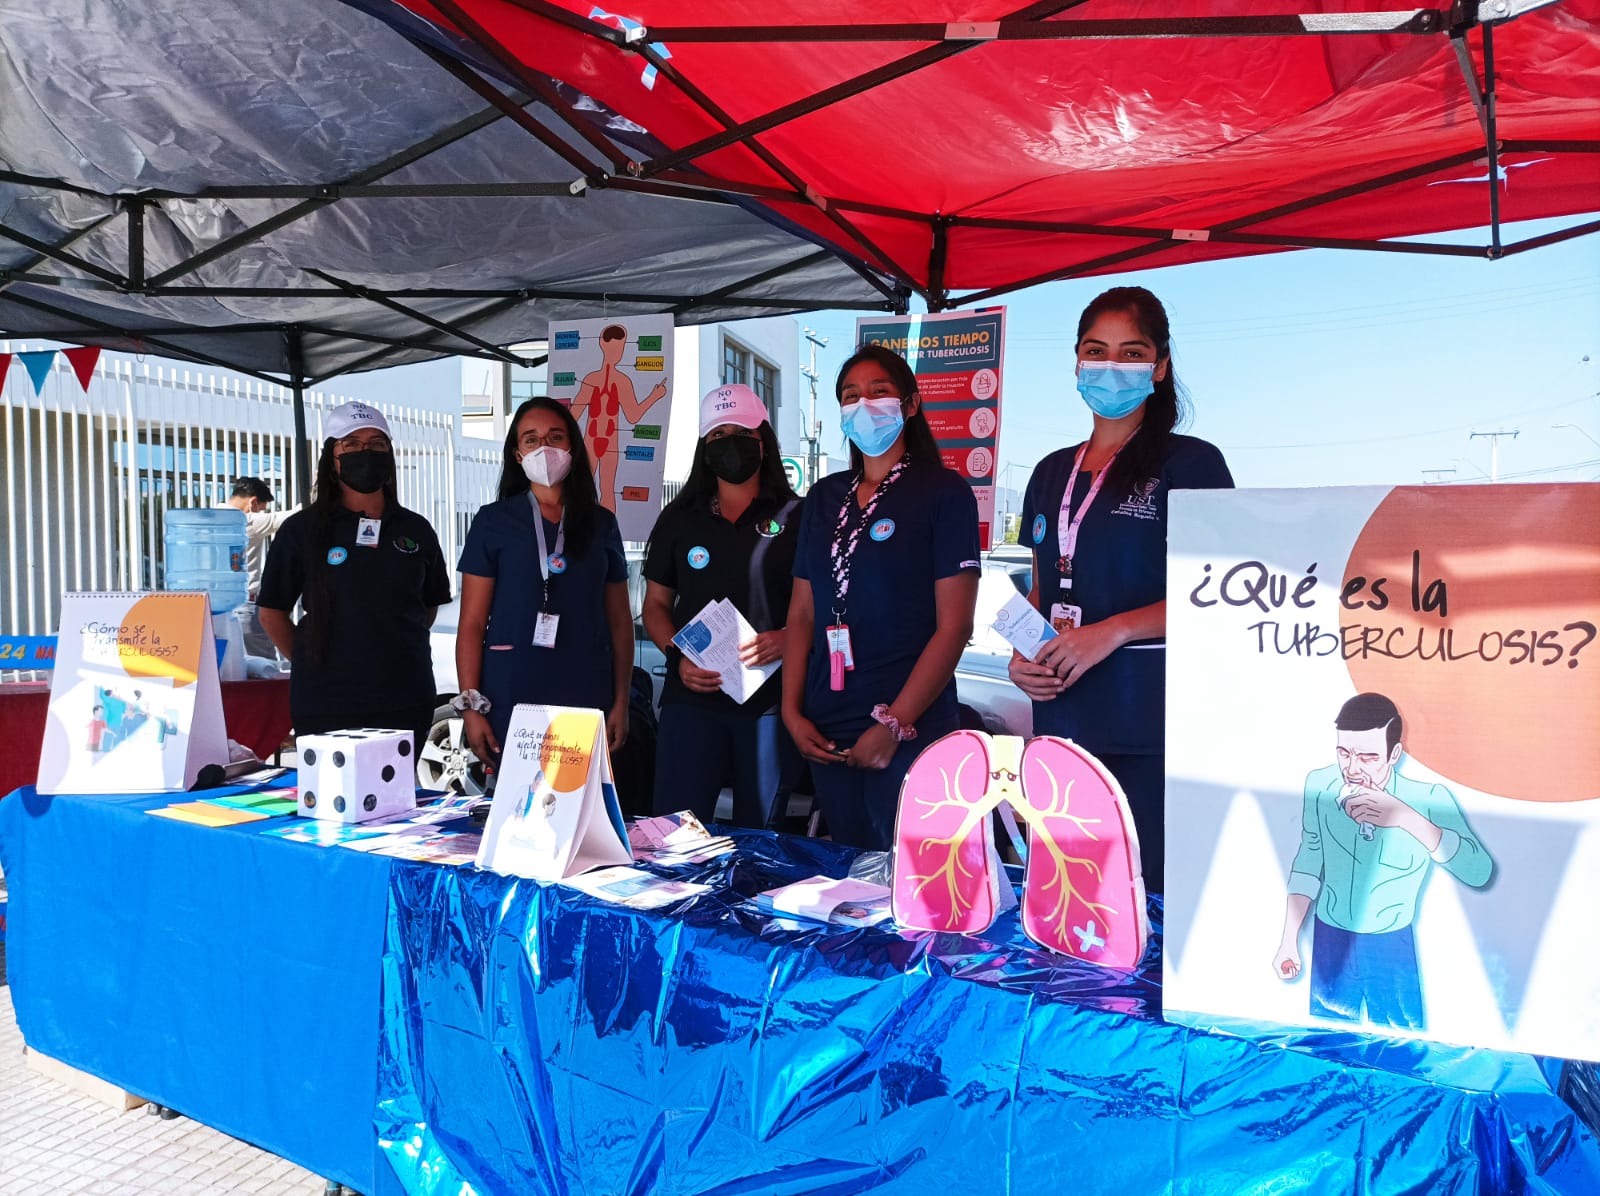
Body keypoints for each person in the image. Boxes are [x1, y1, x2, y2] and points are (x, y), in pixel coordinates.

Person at [1010, 286, 1234, 894]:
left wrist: (1111, 632)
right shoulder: (1050, 470)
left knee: (1141, 896)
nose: (1111, 367)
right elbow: (1044, 583)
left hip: (1149, 724)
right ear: (1077, 361)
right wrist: (1021, 656)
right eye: (1096, 350)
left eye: (1131, 353)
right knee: (1064, 894)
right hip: (1060, 715)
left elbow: (1218, 593)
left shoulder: (1191, 465)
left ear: (1159, 366)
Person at [783, 344, 981, 851]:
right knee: (851, 879)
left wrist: (894, 724)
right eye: (850, 396)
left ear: (910, 404)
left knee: (915, 883)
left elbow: (954, 626)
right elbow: (802, 614)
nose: (863, 405)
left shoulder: (943, 492)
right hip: (827, 727)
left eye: (879, 392)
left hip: (909, 727)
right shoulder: (826, 496)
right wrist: (792, 712)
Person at [1273, 692, 1493, 1030]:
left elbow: (1479, 872)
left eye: (1368, 757)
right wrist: (1289, 940)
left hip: (1391, 944)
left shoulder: (1428, 799)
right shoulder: (1320, 785)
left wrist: (1407, 818)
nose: (1353, 768)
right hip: (1330, 936)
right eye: (1344, 753)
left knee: (1400, 1047)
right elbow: (1307, 863)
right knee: (1323, 1042)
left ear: (1394, 754)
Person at [641, 383, 801, 827]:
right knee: (673, 838)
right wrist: (678, 655)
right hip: (692, 700)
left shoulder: (798, 516)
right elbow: (654, 604)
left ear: (763, 442)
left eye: (740, 431)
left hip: (769, 705)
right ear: (703, 448)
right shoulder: (678, 518)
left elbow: (821, 605)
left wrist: (788, 639)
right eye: (716, 434)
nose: (728, 442)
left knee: (762, 840)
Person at [257, 401, 452, 756]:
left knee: (399, 803)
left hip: (406, 698)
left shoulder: (416, 529)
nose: (366, 452)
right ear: (332, 458)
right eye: (351, 444)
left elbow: (428, 605)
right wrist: (312, 661)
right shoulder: (301, 530)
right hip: (327, 702)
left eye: (377, 444)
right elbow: (271, 612)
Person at [454, 396, 633, 777]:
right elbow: (470, 624)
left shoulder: (601, 523)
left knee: (577, 809)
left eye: (555, 437)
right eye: (531, 439)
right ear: (517, 454)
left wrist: (621, 702)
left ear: (572, 447)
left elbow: (620, 623)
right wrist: (471, 708)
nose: (544, 448)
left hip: (584, 693)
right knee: (517, 815)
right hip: (511, 692)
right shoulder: (493, 521)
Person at [570, 324, 670, 512]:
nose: (618, 352)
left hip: (610, 445)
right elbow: (574, 415)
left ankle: (605, 536)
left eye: (621, 347)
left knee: (607, 491)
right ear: (602, 344)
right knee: (582, 491)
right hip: (590, 442)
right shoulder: (591, 379)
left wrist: (654, 396)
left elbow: (632, 416)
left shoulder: (622, 381)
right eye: (615, 347)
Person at [222, 476, 293, 659]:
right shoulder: (246, 520)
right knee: (263, 667)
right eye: (262, 509)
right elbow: (294, 517)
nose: (261, 514)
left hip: (217, 609)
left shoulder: (212, 518)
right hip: (245, 606)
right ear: (253, 502)